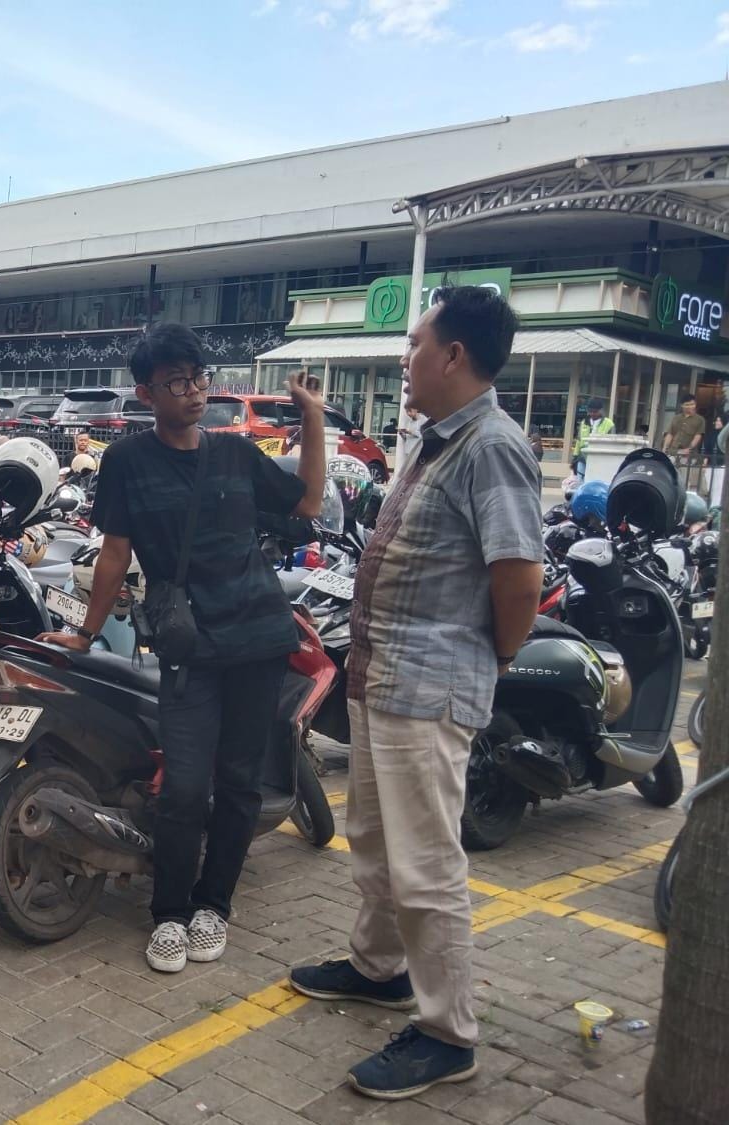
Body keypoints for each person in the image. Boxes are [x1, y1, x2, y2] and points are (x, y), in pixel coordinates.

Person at [289, 286, 542, 1100]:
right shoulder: (439, 441)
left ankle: (448, 1032)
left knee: (426, 862)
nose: (405, 360)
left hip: (428, 688)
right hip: (385, 678)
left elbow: (518, 578)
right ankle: (378, 967)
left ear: (454, 355)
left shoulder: (492, 446)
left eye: (415, 344)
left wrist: (490, 656)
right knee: (374, 838)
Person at [38, 324, 325, 971]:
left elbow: (307, 501)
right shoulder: (127, 461)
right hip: (189, 646)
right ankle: (168, 913)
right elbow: (115, 553)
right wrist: (86, 631)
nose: (194, 391)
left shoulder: (236, 453)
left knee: (240, 782)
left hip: (258, 639)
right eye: (176, 382)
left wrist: (311, 419)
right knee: (185, 787)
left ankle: (213, 905)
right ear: (146, 393)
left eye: (199, 378)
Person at [571, 399, 613, 476]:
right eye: (590, 411)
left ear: (601, 410)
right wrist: (575, 456)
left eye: (595, 411)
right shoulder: (584, 422)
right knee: (580, 479)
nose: (592, 414)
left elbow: (612, 443)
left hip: (599, 458)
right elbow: (579, 440)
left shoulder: (609, 424)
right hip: (582, 458)